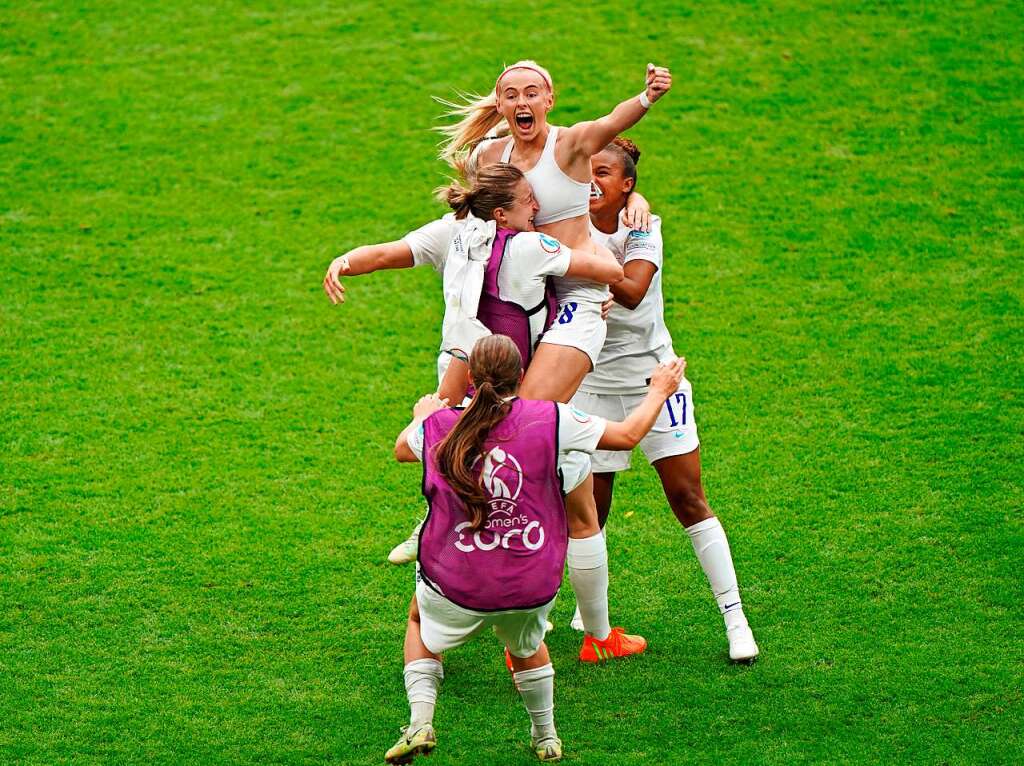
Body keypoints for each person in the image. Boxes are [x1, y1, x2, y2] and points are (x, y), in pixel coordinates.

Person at [386, 335, 686, 764]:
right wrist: (659, 389)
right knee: (526, 646)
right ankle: (546, 737)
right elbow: (626, 436)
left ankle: (420, 723)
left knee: (418, 618)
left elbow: (401, 449)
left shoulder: (440, 425)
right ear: (522, 376)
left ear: (470, 379)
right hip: (528, 581)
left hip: (456, 582)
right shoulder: (553, 418)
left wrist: (422, 416)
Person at [569, 137, 760, 662]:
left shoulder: (643, 227)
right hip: (590, 381)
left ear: (627, 185)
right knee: (590, 508)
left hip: (655, 376)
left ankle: (735, 618)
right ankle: (592, 614)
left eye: (604, 173)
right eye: (586, 170)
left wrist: (580, 257)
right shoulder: (564, 224)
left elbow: (630, 290)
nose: (591, 180)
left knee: (688, 498)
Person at [437, 60, 671, 402]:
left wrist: (647, 97)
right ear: (500, 105)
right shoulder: (489, 156)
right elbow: (477, 217)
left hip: (576, 294)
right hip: (524, 297)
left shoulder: (570, 145)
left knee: (529, 408)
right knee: (484, 404)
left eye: (532, 93)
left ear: (549, 100)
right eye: (512, 95)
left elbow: (611, 123)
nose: (522, 102)